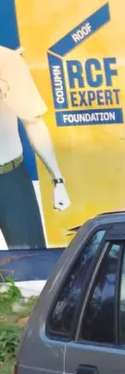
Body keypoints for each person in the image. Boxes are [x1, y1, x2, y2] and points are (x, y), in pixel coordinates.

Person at [0, 44, 70, 250]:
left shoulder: (7, 60)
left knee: (31, 258)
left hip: (10, 180)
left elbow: (33, 121)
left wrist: (58, 179)